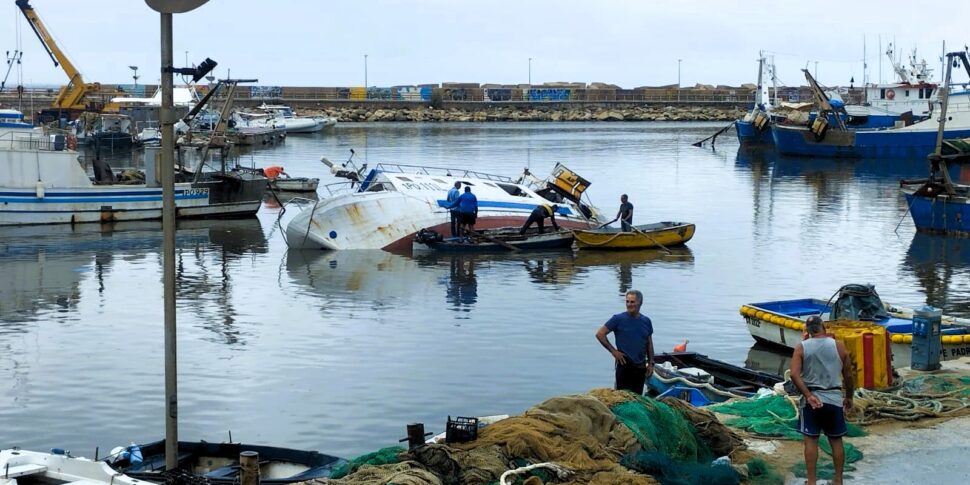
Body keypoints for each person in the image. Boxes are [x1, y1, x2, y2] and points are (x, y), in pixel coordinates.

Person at [790, 315, 854, 485]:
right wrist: (849, 397)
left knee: (811, 440)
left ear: (807, 330)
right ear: (823, 327)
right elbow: (848, 375)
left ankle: (811, 481)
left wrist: (808, 395)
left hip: (812, 400)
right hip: (833, 399)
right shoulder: (839, 346)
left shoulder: (801, 348)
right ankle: (838, 480)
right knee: (836, 440)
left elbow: (794, 374)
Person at [595, 290, 655, 394]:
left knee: (637, 398)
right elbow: (600, 334)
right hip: (624, 364)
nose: (629, 304)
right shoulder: (618, 319)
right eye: (627, 302)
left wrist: (650, 363)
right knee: (622, 397)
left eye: (632, 302)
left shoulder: (646, 321)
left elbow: (649, 343)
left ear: (640, 303)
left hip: (640, 366)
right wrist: (614, 352)